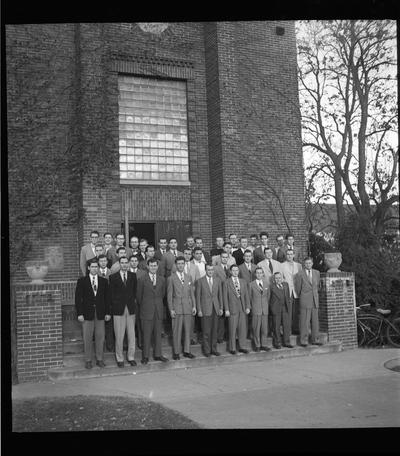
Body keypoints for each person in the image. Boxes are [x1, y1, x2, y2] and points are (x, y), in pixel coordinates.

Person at [75, 258, 111, 369]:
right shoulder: (82, 281)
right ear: (89, 268)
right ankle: (88, 360)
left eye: (97, 267)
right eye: (93, 267)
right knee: (87, 337)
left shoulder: (104, 281)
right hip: (87, 314)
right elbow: (78, 299)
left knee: (100, 337)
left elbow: (107, 298)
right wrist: (80, 313)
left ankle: (99, 359)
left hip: (100, 313)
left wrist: (108, 313)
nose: (95, 269)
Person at [136, 258, 168, 364]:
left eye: (155, 265)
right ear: (147, 267)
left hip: (158, 310)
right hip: (146, 310)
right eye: (151, 265)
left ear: (157, 267)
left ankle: (158, 355)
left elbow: (162, 294)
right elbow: (139, 297)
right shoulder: (141, 279)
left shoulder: (162, 279)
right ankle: (145, 356)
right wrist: (146, 305)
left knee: (158, 334)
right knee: (146, 334)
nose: (153, 267)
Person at [109, 257, 138, 367]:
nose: (125, 265)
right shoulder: (113, 277)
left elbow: (134, 292)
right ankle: (119, 358)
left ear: (129, 264)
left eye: (126, 263)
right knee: (119, 335)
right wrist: (116, 305)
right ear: (119, 264)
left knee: (131, 335)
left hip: (130, 308)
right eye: (122, 263)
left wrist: (131, 303)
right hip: (118, 309)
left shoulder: (133, 276)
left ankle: (131, 357)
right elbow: (111, 294)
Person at [167, 256, 196, 360]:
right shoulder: (171, 278)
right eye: (178, 263)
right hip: (177, 307)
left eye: (182, 263)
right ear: (175, 265)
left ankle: (187, 351)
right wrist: (171, 309)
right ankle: (176, 352)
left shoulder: (189, 277)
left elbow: (192, 293)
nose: (180, 265)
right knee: (177, 331)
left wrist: (194, 306)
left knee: (188, 330)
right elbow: (169, 295)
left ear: (184, 264)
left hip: (188, 306)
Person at [196, 264, 224, 357]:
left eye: (212, 270)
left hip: (215, 308)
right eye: (208, 270)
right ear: (205, 270)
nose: (210, 271)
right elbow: (198, 297)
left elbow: (220, 295)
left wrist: (221, 307)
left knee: (215, 331)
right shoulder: (200, 281)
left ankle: (214, 349)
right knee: (206, 331)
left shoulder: (218, 280)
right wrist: (199, 309)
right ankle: (207, 350)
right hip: (205, 309)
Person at [295, 257, 323, 347]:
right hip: (305, 299)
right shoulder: (299, 274)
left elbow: (318, 286)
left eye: (309, 263)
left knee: (315, 321)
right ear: (304, 264)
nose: (308, 264)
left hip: (315, 299)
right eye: (306, 263)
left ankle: (315, 339)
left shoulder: (317, 273)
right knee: (305, 322)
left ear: (312, 263)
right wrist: (303, 296)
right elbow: (298, 288)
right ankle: (303, 341)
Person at [224, 264, 250, 355]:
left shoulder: (243, 281)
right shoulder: (227, 282)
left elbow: (246, 295)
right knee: (232, 328)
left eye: (237, 270)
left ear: (238, 272)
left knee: (242, 328)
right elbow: (225, 297)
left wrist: (247, 307)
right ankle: (232, 348)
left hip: (242, 307)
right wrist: (226, 309)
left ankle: (242, 347)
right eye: (233, 270)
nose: (235, 272)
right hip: (232, 308)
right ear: (230, 272)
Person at [269, 272, 293, 349]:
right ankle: (277, 343)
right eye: (276, 278)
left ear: (282, 278)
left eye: (279, 278)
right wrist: (271, 308)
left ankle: (287, 342)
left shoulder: (285, 285)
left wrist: (288, 306)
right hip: (276, 308)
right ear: (274, 279)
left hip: (285, 308)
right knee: (276, 326)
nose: (278, 279)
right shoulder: (271, 287)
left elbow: (288, 297)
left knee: (286, 326)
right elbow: (269, 299)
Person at [249, 267, 271, 352]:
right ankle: (257, 345)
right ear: (255, 274)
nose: (259, 274)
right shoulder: (251, 284)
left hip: (264, 309)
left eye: (260, 273)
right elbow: (250, 297)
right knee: (256, 328)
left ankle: (264, 344)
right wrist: (252, 307)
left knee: (264, 329)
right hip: (256, 309)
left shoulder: (266, 284)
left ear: (263, 274)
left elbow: (268, 297)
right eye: (257, 273)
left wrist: (265, 306)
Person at [281, 250, 302, 334]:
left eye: (291, 254)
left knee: (296, 311)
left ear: (294, 255)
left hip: (296, 291)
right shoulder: (282, 265)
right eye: (288, 254)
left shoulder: (299, 265)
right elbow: (281, 278)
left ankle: (295, 329)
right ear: (286, 255)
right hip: (287, 290)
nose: (289, 256)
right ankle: (288, 330)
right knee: (288, 311)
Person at [213, 251, 231, 342]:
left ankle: (228, 335)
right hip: (220, 293)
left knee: (229, 316)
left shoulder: (230, 268)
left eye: (226, 257)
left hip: (230, 295)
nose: (224, 259)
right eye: (223, 257)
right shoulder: (216, 268)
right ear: (220, 258)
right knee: (221, 316)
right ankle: (220, 336)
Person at [238, 249, 257, 339]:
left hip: (254, 293)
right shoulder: (239, 267)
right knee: (245, 314)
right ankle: (244, 334)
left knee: (254, 314)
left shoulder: (255, 267)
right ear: (243, 257)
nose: (248, 258)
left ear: (252, 257)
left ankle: (252, 334)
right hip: (244, 294)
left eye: (249, 256)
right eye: (246, 256)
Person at [128, 255, 146, 349]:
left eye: (135, 261)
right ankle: (128, 344)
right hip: (129, 301)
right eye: (132, 261)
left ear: (138, 262)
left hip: (140, 302)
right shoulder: (126, 272)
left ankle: (141, 342)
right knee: (129, 324)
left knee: (140, 323)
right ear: (129, 262)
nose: (134, 262)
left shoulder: (143, 273)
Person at [98, 254, 114, 352]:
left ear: (107, 262)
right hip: (99, 302)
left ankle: (110, 345)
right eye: (101, 261)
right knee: (100, 325)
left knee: (109, 325)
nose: (103, 262)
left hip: (109, 302)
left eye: (104, 261)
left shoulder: (111, 273)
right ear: (98, 262)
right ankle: (100, 346)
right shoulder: (95, 273)